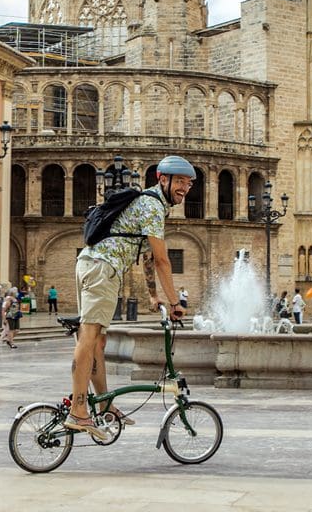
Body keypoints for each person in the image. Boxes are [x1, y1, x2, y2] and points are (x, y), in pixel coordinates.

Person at [65, 155, 189, 438]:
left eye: (189, 183)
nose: (185, 188)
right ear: (163, 179)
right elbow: (162, 260)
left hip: (94, 265)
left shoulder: (150, 204)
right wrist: (175, 302)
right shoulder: (152, 205)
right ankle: (79, 411)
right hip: (103, 269)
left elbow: (147, 256)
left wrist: (154, 295)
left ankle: (105, 405)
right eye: (180, 181)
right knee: (88, 338)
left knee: (98, 341)